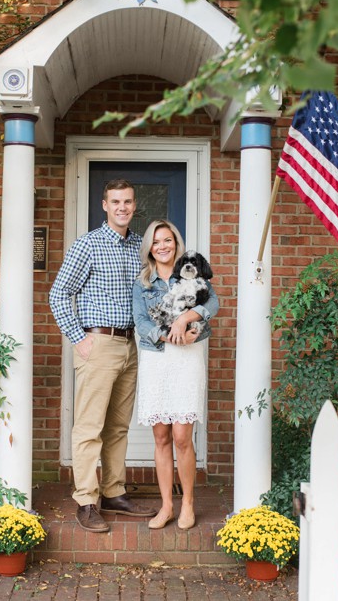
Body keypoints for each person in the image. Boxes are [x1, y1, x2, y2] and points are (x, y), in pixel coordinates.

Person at [49, 179, 156, 533]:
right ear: (104, 205)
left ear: (134, 204)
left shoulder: (140, 246)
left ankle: (113, 492)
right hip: (98, 344)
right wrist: (79, 339)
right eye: (116, 202)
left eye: (127, 201)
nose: (122, 207)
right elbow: (59, 293)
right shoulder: (88, 245)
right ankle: (85, 499)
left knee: (118, 427)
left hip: (130, 345)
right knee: (90, 428)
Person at [131, 219, 219, 530]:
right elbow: (139, 320)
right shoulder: (143, 283)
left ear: (175, 243)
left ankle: (188, 504)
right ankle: (166, 505)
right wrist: (166, 334)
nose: (163, 246)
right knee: (161, 436)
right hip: (157, 359)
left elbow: (214, 302)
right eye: (156, 242)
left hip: (187, 359)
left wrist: (187, 319)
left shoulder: (192, 273)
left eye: (167, 240)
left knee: (182, 436)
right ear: (150, 249)